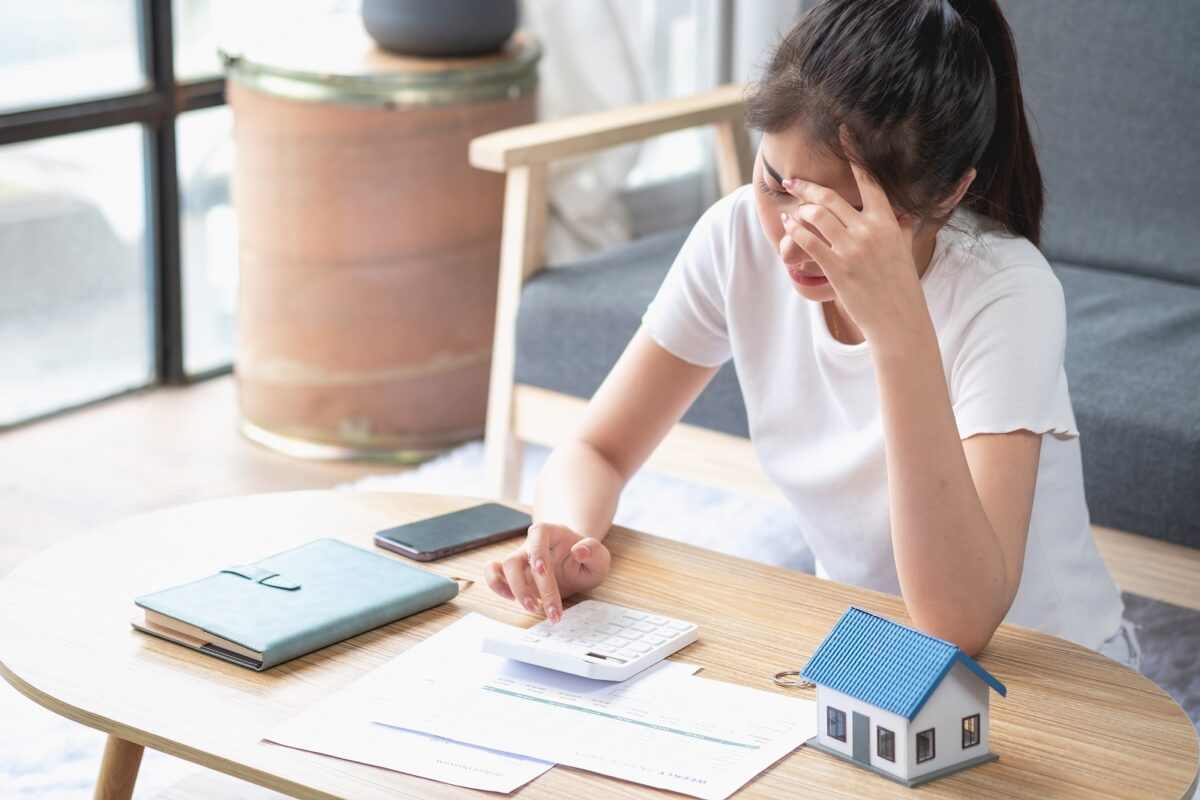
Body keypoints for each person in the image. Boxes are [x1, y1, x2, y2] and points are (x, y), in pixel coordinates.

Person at [483, 0, 1137, 663]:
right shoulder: (737, 235)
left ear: (947, 195)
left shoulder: (1006, 294)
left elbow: (956, 624)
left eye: (845, 218)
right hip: (864, 646)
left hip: (1043, 669)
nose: (795, 246)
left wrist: (898, 326)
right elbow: (598, 449)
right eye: (777, 187)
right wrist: (563, 532)